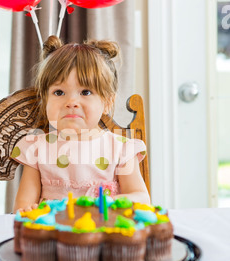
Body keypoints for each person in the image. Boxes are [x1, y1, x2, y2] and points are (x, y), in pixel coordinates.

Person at [11, 36, 150, 213]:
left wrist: (102, 203)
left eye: (85, 91)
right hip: (54, 235)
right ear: (45, 100)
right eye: (59, 92)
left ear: (107, 102)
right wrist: (29, 210)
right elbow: (21, 206)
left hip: (103, 234)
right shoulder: (37, 149)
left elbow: (142, 199)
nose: (71, 102)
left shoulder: (121, 149)